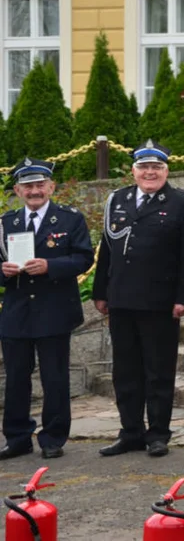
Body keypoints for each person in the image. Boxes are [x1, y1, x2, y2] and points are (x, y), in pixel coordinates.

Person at [92, 140, 184, 458]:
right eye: (144, 167)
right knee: (124, 371)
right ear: (133, 170)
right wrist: (101, 292)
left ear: (167, 170)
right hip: (122, 299)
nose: (149, 172)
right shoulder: (118, 200)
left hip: (160, 301)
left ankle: (157, 434)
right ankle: (130, 432)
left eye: (156, 167)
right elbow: (107, 249)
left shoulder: (183, 202)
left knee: (158, 371)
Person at [0, 159, 94, 460]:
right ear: (17, 189)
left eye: (40, 184)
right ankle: (17, 437)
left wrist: (50, 266)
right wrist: (4, 271)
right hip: (16, 312)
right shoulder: (6, 222)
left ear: (51, 187)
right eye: (27, 186)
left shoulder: (69, 219)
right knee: (15, 377)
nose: (34, 190)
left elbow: (83, 258)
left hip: (54, 310)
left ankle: (53, 438)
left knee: (55, 377)